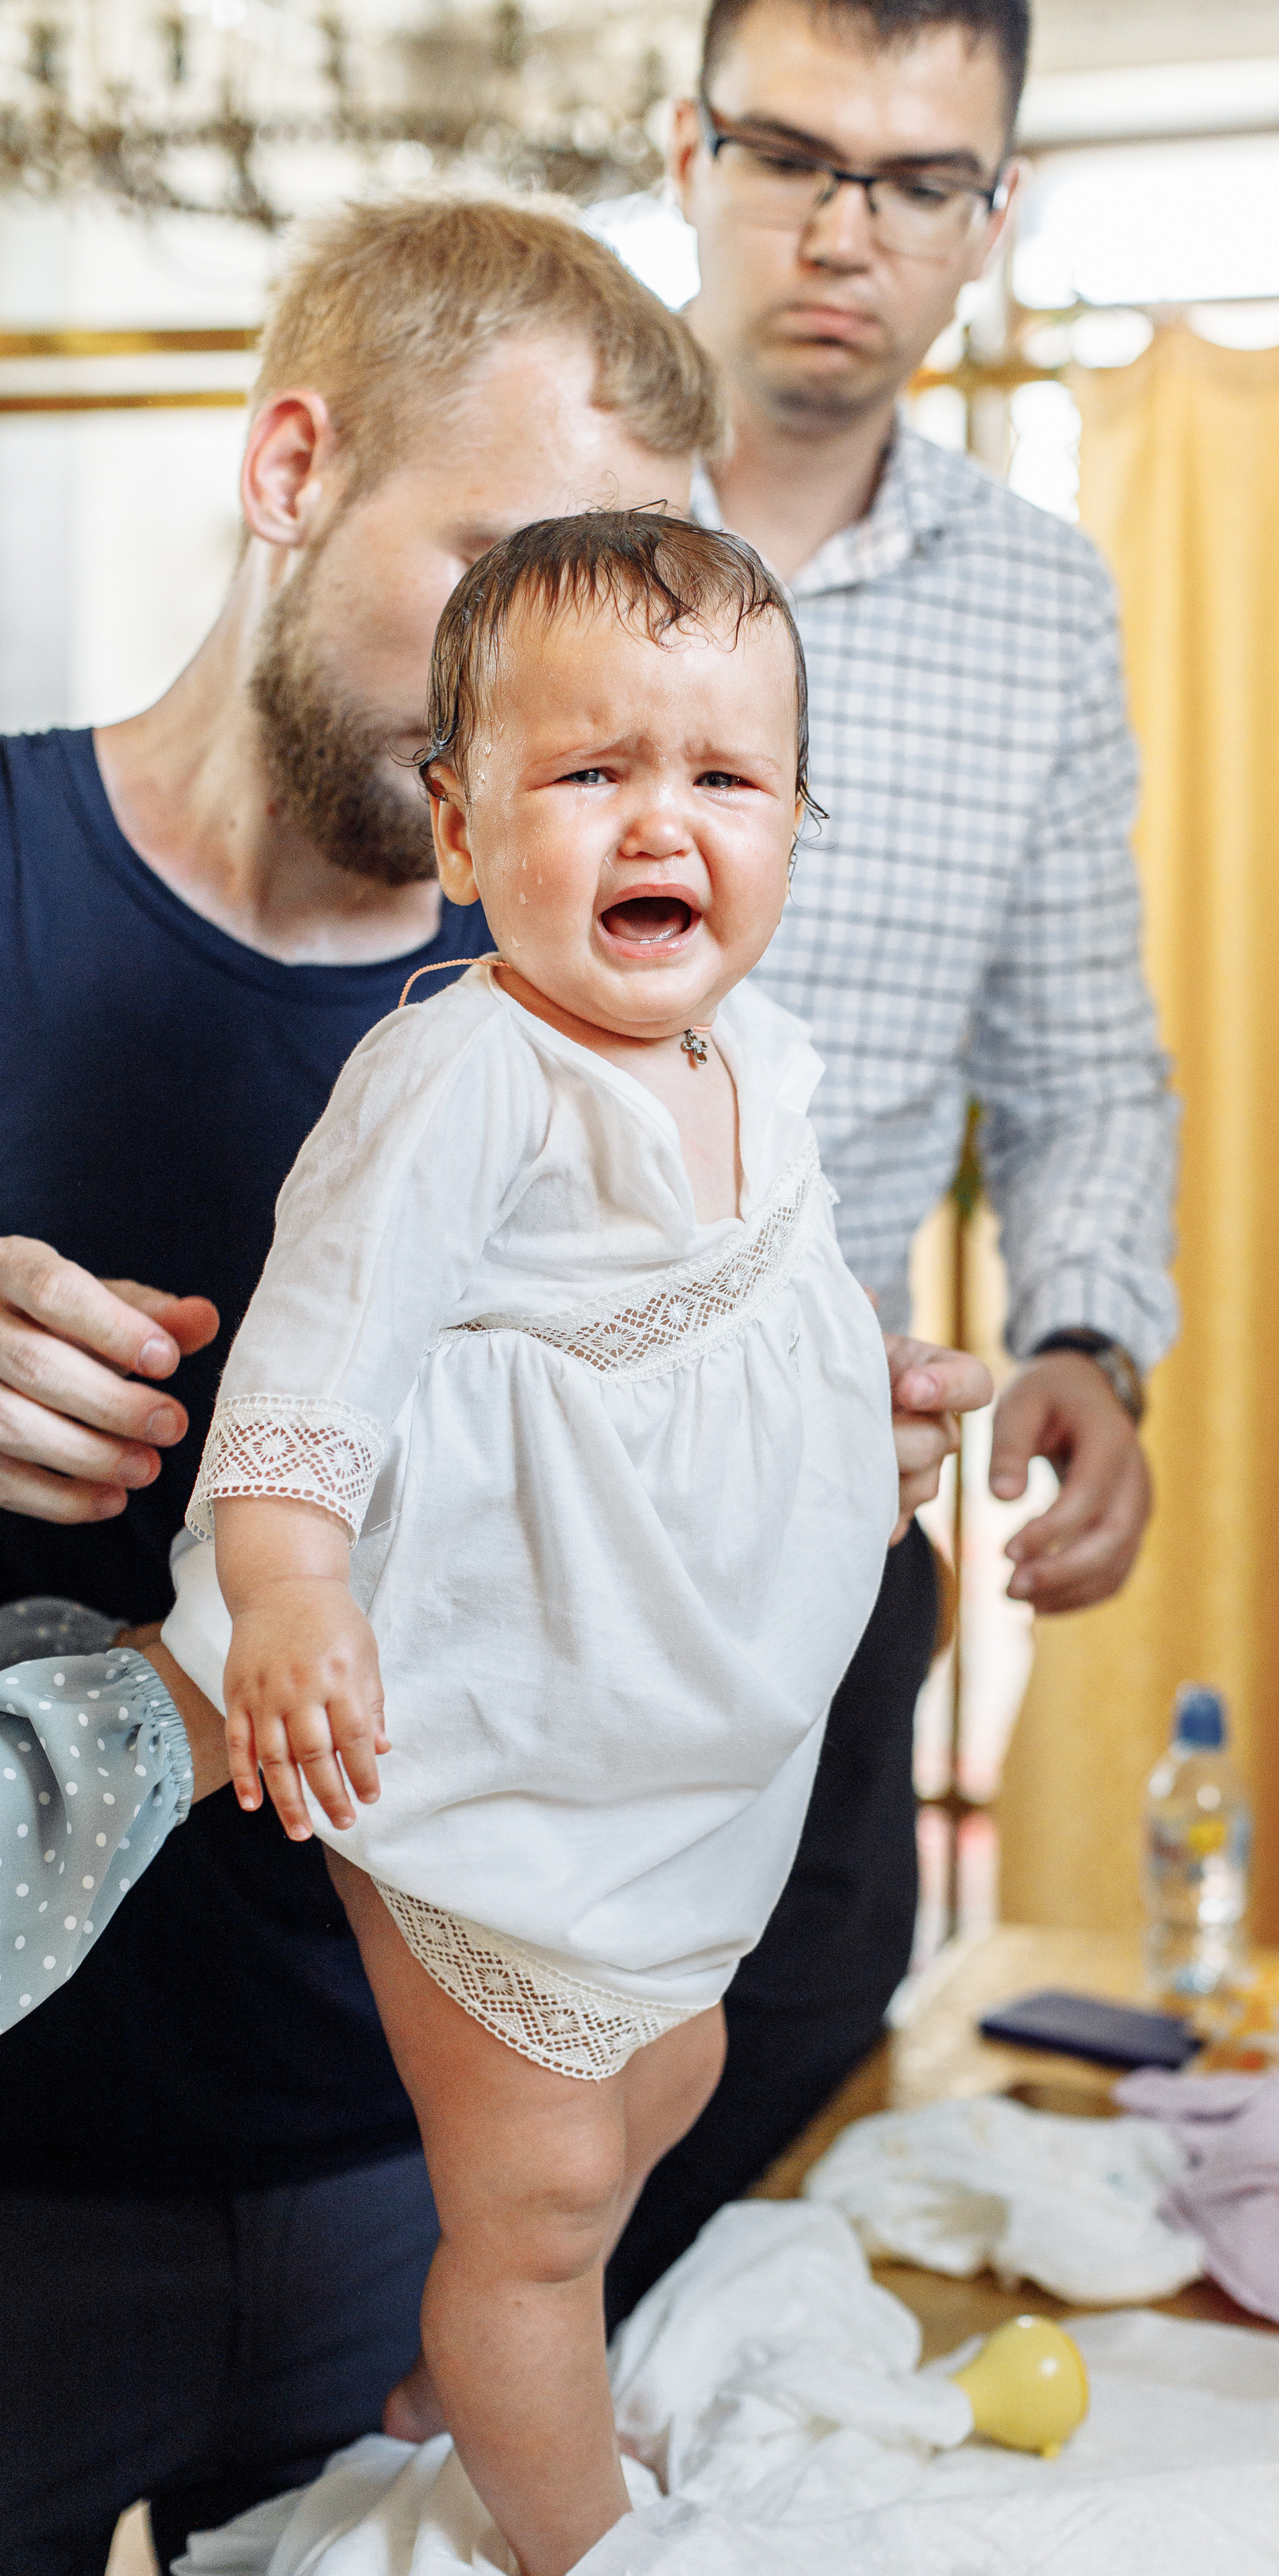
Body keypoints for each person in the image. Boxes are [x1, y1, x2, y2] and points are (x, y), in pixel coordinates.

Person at [0, 199, 983, 2576]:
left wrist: (823, 1428)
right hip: (28, 2179)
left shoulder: (610, 1009)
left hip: (414, 2152)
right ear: (291, 464)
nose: (547, 678)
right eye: (508, 564)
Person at [603, 0, 1181, 2316]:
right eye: (794, 155)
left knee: (775, 2131)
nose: (847, 230)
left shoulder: (1043, 606)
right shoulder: (519, 513)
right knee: (434, 2200)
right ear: (686, 150)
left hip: (824, 1546)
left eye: (921, 181)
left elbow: (1085, 1063)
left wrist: (1086, 1338)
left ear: (992, 219)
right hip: (474, 1536)